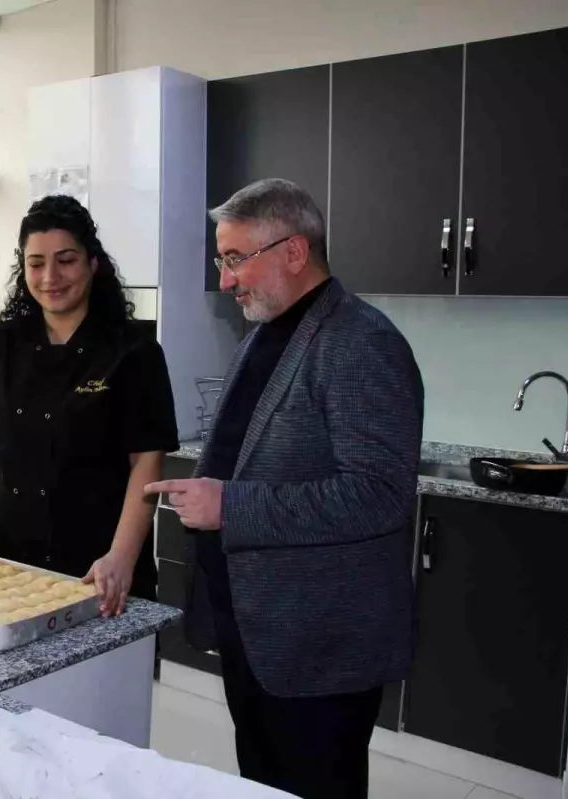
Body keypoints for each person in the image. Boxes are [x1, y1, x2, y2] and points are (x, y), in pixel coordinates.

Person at [145, 178, 423, 798]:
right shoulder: (267, 334)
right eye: (222, 260)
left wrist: (229, 504)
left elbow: (379, 494)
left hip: (318, 647)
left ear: (294, 253)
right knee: (265, 784)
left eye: (236, 259)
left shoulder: (361, 344)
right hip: (260, 630)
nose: (226, 279)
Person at [0, 195, 179, 616]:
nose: (50, 276)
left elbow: (147, 463)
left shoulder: (133, 351)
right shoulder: (0, 345)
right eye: (36, 263)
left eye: (66, 260)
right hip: (7, 568)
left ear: (92, 263)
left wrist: (121, 557)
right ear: (23, 268)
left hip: (98, 568)